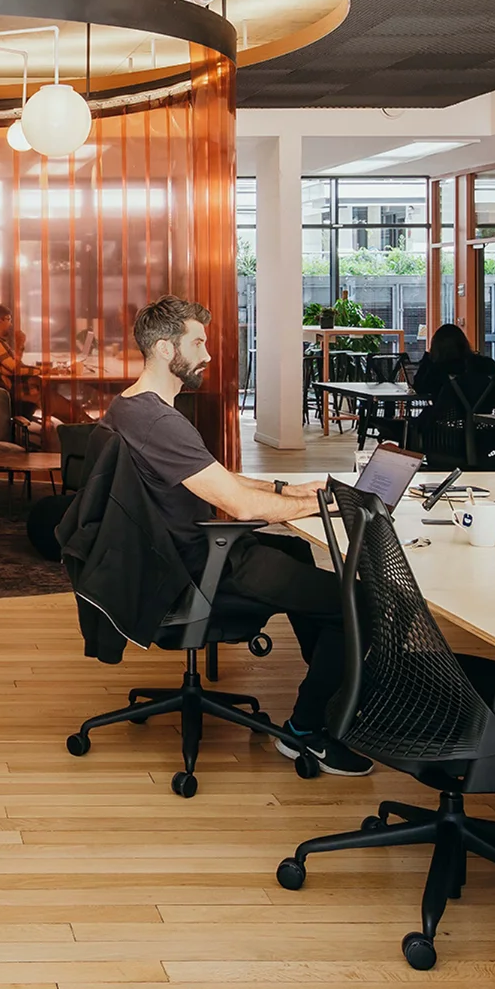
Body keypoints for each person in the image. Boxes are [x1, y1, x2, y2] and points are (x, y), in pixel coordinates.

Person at [98, 295, 372, 775]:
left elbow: (216, 477)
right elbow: (240, 505)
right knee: (361, 603)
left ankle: (331, 689)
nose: (207, 354)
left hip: (180, 555)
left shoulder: (132, 407)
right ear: (165, 349)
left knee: (299, 557)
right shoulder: (161, 421)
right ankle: (309, 730)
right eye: (198, 342)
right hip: (199, 568)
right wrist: (319, 505)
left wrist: (290, 488)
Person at [407, 323, 495, 468]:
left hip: (441, 435)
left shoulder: (437, 369)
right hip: (483, 433)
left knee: (412, 424)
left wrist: (427, 359)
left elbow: (419, 387)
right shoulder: (485, 364)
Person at [0, 303, 45, 426]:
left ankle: (79, 424)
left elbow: (12, 365)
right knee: (47, 396)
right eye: (9, 319)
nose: (10, 324)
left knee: (45, 392)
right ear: (0, 320)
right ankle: (81, 424)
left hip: (7, 393)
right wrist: (42, 370)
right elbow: (15, 369)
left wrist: (19, 347)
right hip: (9, 397)